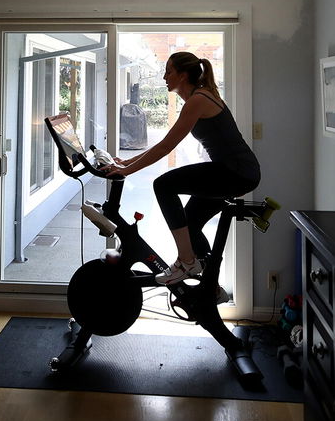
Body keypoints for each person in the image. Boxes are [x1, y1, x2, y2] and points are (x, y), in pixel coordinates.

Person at [109, 51, 261, 285]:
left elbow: (167, 146)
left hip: (236, 172)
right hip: (237, 171)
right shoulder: (201, 97)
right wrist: (126, 162)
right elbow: (163, 144)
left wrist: (126, 171)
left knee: (163, 185)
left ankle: (187, 261)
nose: (164, 77)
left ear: (182, 75)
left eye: (168, 71)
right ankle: (210, 287)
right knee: (188, 224)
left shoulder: (198, 100)